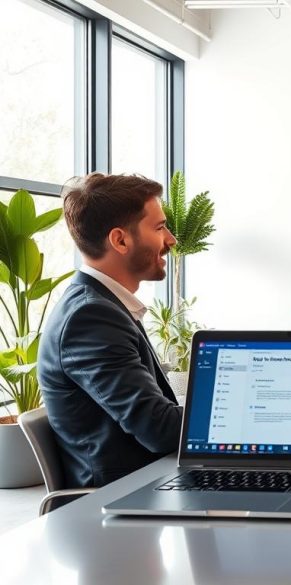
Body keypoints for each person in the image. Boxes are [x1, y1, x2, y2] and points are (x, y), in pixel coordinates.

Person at [37, 173, 183, 488]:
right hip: (119, 502)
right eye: (159, 228)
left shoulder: (104, 306)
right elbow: (158, 429)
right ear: (120, 240)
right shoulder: (90, 317)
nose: (170, 239)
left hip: (147, 484)